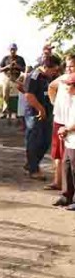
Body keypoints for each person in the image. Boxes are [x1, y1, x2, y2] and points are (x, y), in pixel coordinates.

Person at [24, 55, 61, 181]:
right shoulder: (34, 76)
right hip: (35, 113)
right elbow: (29, 95)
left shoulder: (49, 77)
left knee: (46, 141)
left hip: (48, 113)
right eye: (53, 70)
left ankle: (31, 164)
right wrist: (40, 109)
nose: (54, 73)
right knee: (34, 141)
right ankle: (33, 169)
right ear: (45, 67)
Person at [46, 55, 75, 191]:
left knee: (70, 156)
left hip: (71, 123)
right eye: (68, 66)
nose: (69, 69)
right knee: (59, 154)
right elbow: (51, 86)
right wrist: (54, 102)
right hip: (60, 119)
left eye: (72, 66)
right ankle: (59, 182)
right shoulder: (63, 78)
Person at [52, 73, 75, 208]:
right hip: (69, 140)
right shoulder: (71, 100)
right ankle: (66, 196)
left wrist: (66, 129)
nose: (66, 87)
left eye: (68, 84)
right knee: (67, 167)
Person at [0, 43, 26, 119]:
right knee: (5, 95)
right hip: (7, 77)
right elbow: (0, 69)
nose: (12, 51)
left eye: (14, 49)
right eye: (11, 49)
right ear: (9, 50)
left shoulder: (20, 59)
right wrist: (8, 66)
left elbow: (24, 69)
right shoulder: (5, 58)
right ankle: (5, 112)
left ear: (16, 50)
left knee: (16, 97)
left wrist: (17, 66)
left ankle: (16, 112)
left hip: (16, 77)